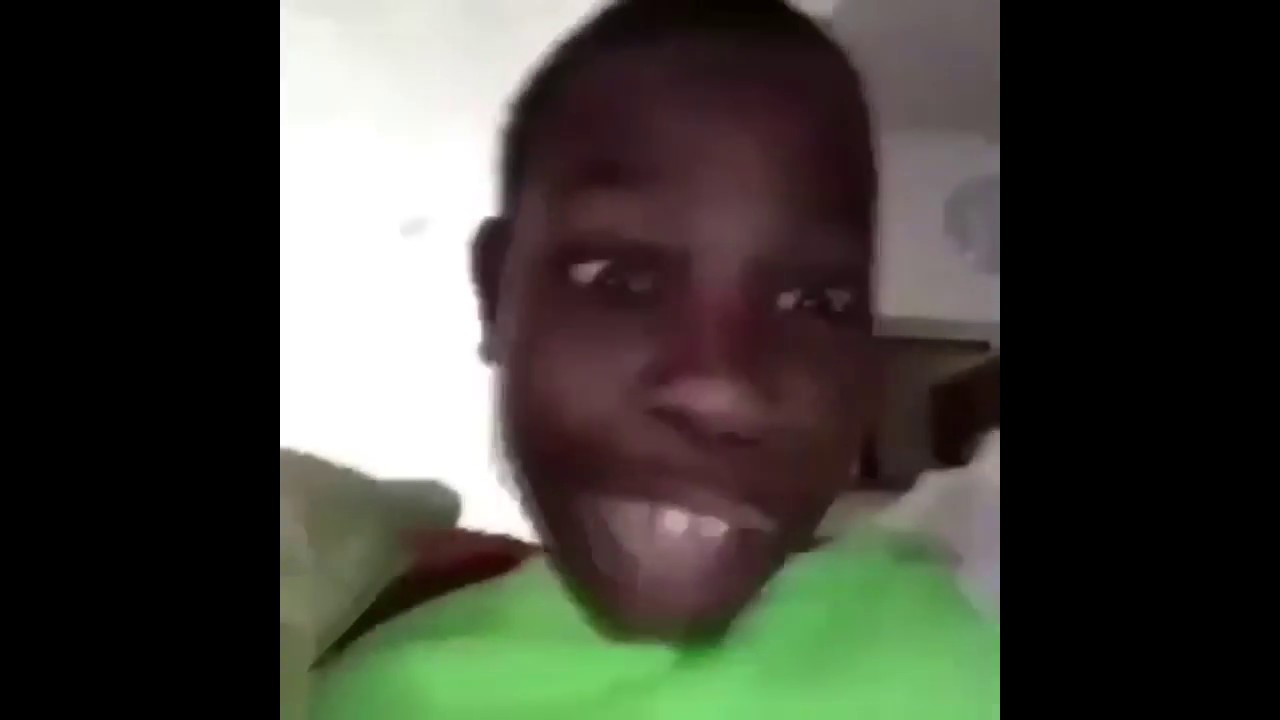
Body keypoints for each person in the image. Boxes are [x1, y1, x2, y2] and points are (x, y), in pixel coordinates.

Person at [311, 1, 999, 717]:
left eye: (815, 302)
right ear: (495, 292)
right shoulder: (374, 698)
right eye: (620, 280)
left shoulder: (968, 628)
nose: (724, 391)